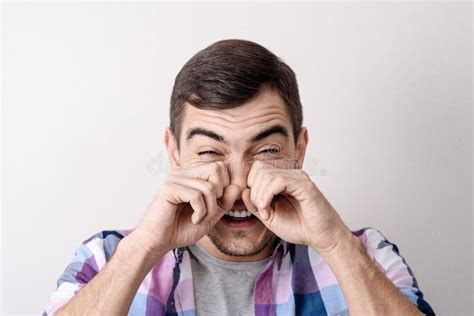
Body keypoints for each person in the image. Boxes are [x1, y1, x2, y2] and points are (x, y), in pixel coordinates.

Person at [44, 39, 435, 316]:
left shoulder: (368, 256)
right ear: (174, 153)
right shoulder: (106, 258)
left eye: (266, 151)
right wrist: (144, 247)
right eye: (210, 152)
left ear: (299, 150)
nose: (238, 189)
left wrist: (335, 242)